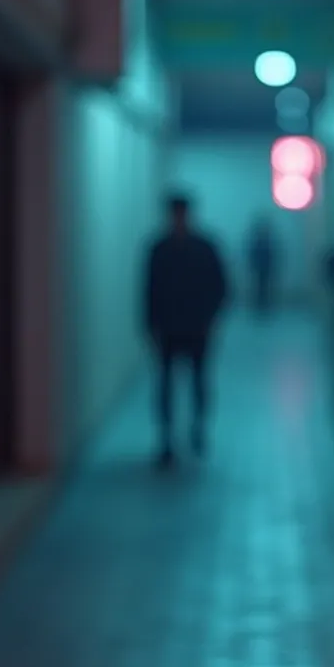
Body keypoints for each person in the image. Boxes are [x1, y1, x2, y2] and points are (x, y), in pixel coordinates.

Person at [143, 193, 229, 469]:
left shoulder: (204, 248)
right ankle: (167, 439)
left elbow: (221, 286)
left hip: (196, 327)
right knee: (166, 385)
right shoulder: (159, 249)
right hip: (168, 328)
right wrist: (150, 326)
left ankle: (198, 429)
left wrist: (211, 318)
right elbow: (149, 291)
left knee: (198, 381)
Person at [247, 216, 277, 315]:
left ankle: (264, 303)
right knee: (259, 286)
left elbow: (272, 255)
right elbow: (253, 255)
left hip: (265, 267)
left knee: (265, 286)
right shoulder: (261, 242)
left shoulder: (265, 242)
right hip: (260, 267)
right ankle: (260, 303)